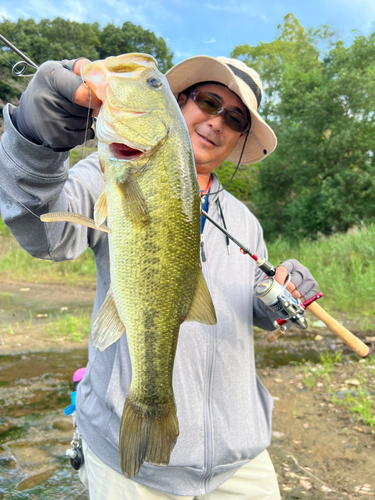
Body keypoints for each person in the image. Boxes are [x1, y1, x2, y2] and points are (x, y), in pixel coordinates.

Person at [0, 55, 318, 499]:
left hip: (239, 460)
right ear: (180, 103)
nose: (216, 121)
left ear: (241, 139)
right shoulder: (108, 171)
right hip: (124, 457)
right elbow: (44, 233)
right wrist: (34, 142)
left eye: (236, 118)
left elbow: (252, 308)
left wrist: (278, 297)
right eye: (208, 101)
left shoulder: (246, 223)